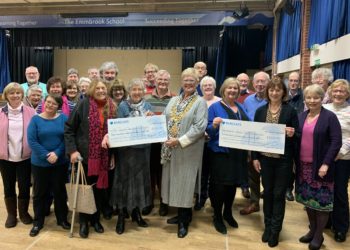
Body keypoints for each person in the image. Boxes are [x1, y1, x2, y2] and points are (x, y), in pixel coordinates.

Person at [65, 80, 116, 238]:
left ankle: (95, 219)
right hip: (84, 158)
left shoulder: (112, 106)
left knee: (99, 190)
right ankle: (84, 222)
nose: (101, 90)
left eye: (103, 88)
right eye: (98, 88)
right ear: (92, 90)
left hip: (104, 157)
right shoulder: (83, 104)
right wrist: (72, 151)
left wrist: (113, 155)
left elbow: (117, 131)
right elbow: (69, 129)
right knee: (84, 190)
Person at [252, 77, 299, 247]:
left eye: (278, 90)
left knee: (279, 195)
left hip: (283, 161)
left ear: (283, 92)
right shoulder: (259, 111)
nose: (274, 92)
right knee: (268, 193)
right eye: (271, 90)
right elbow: (255, 136)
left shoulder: (290, 111)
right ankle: (267, 226)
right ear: (267, 92)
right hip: (265, 160)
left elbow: (299, 135)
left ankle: (275, 230)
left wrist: (293, 133)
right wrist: (256, 157)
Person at [161, 67, 208, 238]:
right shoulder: (173, 100)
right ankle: (181, 215)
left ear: (197, 83)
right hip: (171, 150)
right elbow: (165, 119)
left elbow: (200, 127)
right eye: (185, 80)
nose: (188, 83)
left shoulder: (200, 102)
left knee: (185, 184)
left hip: (188, 151)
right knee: (174, 183)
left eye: (192, 80)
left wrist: (179, 141)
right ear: (181, 82)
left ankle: (184, 221)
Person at [295, 84, 342, 250]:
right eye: (309, 97)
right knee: (308, 202)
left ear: (322, 99)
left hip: (321, 168)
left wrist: (326, 163)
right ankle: (312, 230)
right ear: (305, 99)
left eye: (316, 97)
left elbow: (336, 142)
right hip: (303, 167)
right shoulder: (301, 116)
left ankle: (319, 235)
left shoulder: (329, 117)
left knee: (321, 203)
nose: (312, 100)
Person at [106, 78, 153, 234]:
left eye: (140, 89)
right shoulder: (122, 106)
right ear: (129, 91)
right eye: (134, 89)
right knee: (123, 182)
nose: (137, 92)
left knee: (139, 181)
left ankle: (136, 213)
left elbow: (153, 128)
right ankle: (121, 215)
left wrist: (151, 120)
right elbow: (118, 127)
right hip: (126, 152)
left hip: (143, 151)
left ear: (143, 91)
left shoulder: (148, 106)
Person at [206, 77, 249, 235]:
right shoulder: (214, 107)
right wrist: (214, 125)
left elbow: (248, 126)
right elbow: (207, 131)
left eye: (235, 89)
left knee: (232, 186)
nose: (232, 91)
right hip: (220, 154)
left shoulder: (240, 107)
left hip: (237, 154)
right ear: (223, 90)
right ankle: (217, 216)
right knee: (219, 187)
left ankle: (228, 213)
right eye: (229, 88)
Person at [27, 94, 71, 237]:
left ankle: (62, 219)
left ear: (58, 106)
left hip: (60, 163)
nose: (50, 105)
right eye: (48, 102)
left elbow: (67, 138)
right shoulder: (35, 120)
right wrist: (47, 155)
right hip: (40, 163)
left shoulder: (64, 118)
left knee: (60, 192)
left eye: (53, 103)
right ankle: (38, 222)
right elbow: (32, 141)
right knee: (39, 194)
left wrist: (57, 153)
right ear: (44, 102)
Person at [0, 82, 36, 228]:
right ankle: (11, 215)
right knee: (8, 186)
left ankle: (23, 213)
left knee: (24, 186)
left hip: (25, 157)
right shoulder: (0, 112)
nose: (15, 95)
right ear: (6, 96)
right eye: (11, 93)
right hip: (5, 157)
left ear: (22, 94)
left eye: (18, 93)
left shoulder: (31, 112)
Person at [143, 70, 176, 216]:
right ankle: (149, 202)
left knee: (164, 175)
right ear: (155, 81)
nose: (162, 82)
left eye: (165, 80)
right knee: (149, 174)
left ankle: (164, 202)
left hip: (167, 142)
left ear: (169, 82)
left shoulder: (175, 98)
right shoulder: (146, 98)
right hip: (150, 143)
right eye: (160, 80)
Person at [323, 79, 350, 243]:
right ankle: (326, 220)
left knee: (339, 192)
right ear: (330, 92)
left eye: (342, 91)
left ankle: (341, 227)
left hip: (343, 158)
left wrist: (339, 152)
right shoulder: (324, 109)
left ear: (347, 94)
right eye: (335, 91)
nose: (338, 94)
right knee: (325, 190)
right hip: (325, 158)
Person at [240, 71, 269, 215]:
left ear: (268, 83)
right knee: (253, 174)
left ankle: (270, 202)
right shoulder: (248, 100)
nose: (260, 84)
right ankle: (254, 202)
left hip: (269, 142)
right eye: (257, 81)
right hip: (252, 141)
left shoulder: (274, 99)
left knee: (269, 174)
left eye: (263, 81)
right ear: (253, 83)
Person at [194, 76, 221, 211]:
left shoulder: (221, 102)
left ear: (215, 87)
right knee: (202, 173)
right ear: (201, 87)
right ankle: (201, 197)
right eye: (205, 85)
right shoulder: (196, 102)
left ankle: (214, 199)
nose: (208, 87)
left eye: (210, 85)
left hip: (216, 143)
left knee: (215, 173)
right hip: (200, 144)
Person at [285, 71, 304, 202]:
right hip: (286, 135)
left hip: (301, 135)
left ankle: (300, 191)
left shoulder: (304, 96)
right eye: (291, 80)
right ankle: (288, 189)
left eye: (296, 81)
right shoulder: (284, 96)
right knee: (287, 165)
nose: (293, 83)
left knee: (300, 165)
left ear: (299, 82)